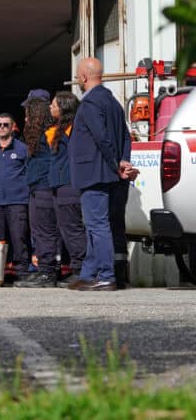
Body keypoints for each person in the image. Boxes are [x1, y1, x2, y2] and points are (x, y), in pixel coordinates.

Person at [68, 57, 137, 292]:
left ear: (84, 77)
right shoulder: (112, 102)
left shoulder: (89, 103)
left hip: (94, 173)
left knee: (97, 226)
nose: (78, 80)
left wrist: (116, 163)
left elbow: (101, 137)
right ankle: (88, 274)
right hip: (107, 174)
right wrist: (123, 160)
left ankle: (106, 276)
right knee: (94, 226)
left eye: (78, 76)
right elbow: (126, 136)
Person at [15, 94, 59, 288]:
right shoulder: (36, 135)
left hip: (45, 186)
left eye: (28, 113)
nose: (25, 117)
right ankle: (43, 269)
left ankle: (48, 273)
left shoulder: (49, 133)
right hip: (36, 186)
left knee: (45, 230)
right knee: (38, 230)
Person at [47, 92, 88, 287]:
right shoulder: (57, 130)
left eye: (53, 105)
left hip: (69, 184)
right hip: (59, 184)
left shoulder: (75, 129)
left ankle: (82, 270)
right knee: (66, 228)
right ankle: (78, 268)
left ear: (63, 107)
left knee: (72, 229)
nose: (50, 107)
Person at [0, 112, 30, 279]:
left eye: (6, 125)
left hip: (18, 200)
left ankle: (21, 271)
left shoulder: (23, 149)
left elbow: (29, 172)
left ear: (12, 127)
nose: (2, 127)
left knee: (19, 237)